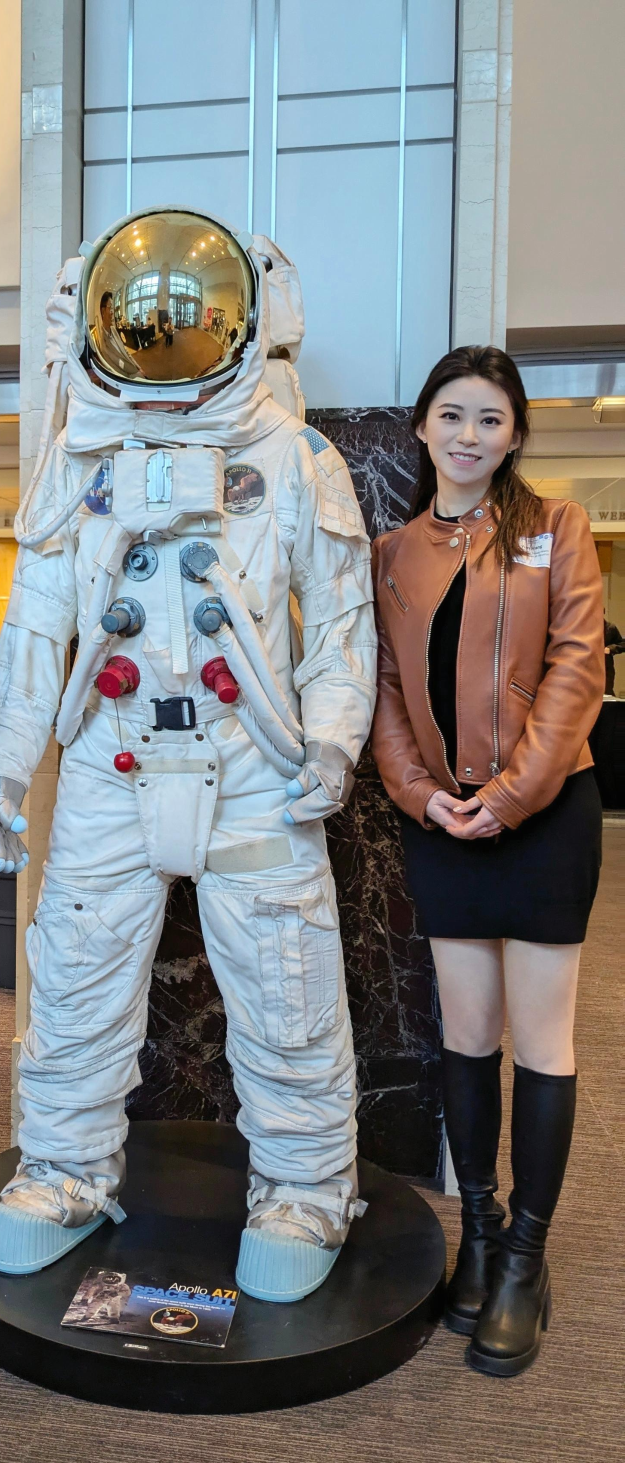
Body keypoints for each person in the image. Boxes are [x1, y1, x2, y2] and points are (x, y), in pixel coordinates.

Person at [0, 207, 377, 1303]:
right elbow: (35, 626)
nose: (168, 339)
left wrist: (334, 746)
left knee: (285, 977)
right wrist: (3, 769)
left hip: (256, 762)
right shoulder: (79, 458)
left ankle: (303, 1185)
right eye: (144, 319)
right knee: (76, 974)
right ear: (101, 325)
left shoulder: (295, 460)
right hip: (111, 758)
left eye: (189, 317)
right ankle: (61, 1168)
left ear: (245, 322)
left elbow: (342, 629)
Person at [371, 345, 604, 1377]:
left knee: (541, 1043)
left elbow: (575, 667)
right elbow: (383, 690)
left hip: (546, 814)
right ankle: (479, 1231)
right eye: (452, 415)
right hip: (442, 821)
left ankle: (524, 1258)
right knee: (465, 1042)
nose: (470, 435)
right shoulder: (392, 551)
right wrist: (424, 795)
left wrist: (508, 798)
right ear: (422, 427)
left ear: (515, 435)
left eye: (492, 420)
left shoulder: (556, 528)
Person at [603, 616, 625, 695]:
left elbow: (622, 644)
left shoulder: (610, 627)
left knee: (606, 692)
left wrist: (611, 648)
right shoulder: (584, 628)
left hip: (606, 667)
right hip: (587, 667)